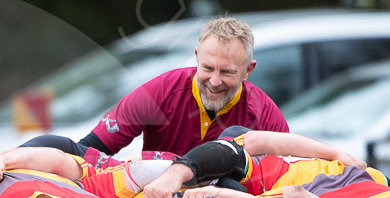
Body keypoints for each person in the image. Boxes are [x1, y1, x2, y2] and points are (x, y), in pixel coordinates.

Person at [78, 17, 289, 163]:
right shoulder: (159, 92)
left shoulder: (266, 116)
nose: (214, 81)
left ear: (248, 70)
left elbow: (291, 179)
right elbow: (88, 151)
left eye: (227, 72)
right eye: (207, 68)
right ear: (197, 56)